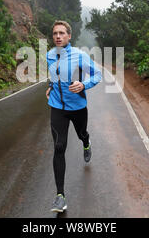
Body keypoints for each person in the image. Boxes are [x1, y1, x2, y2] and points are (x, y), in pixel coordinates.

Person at [45, 20, 102, 213]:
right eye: (55, 33)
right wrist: (51, 87)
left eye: (62, 33)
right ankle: (60, 196)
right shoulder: (50, 55)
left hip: (77, 107)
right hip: (57, 107)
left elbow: (97, 75)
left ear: (69, 36)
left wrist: (84, 85)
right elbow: (54, 76)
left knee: (81, 134)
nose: (58, 36)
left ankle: (86, 143)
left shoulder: (80, 56)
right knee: (59, 147)